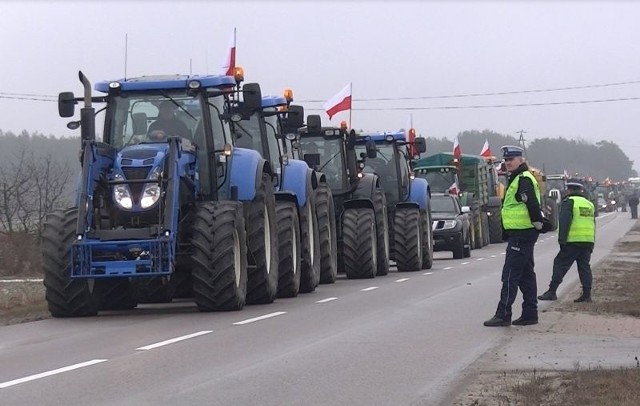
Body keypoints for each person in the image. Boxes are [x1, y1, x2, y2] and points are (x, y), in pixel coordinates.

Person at [484, 145, 548, 327]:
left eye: (511, 159)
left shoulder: (523, 179)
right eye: (506, 160)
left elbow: (532, 204)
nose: (508, 163)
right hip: (520, 233)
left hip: (522, 234)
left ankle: (503, 314)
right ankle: (530, 313)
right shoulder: (518, 178)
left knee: (510, 274)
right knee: (526, 275)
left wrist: (538, 223)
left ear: (521, 160)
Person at [538, 179, 595, 303]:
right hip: (587, 241)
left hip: (572, 241)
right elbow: (593, 223)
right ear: (581, 190)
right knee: (584, 267)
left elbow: (564, 223)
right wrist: (592, 243)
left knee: (559, 264)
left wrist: (562, 241)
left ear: (568, 190)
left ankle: (552, 291)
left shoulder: (569, 202)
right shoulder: (589, 204)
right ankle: (587, 294)